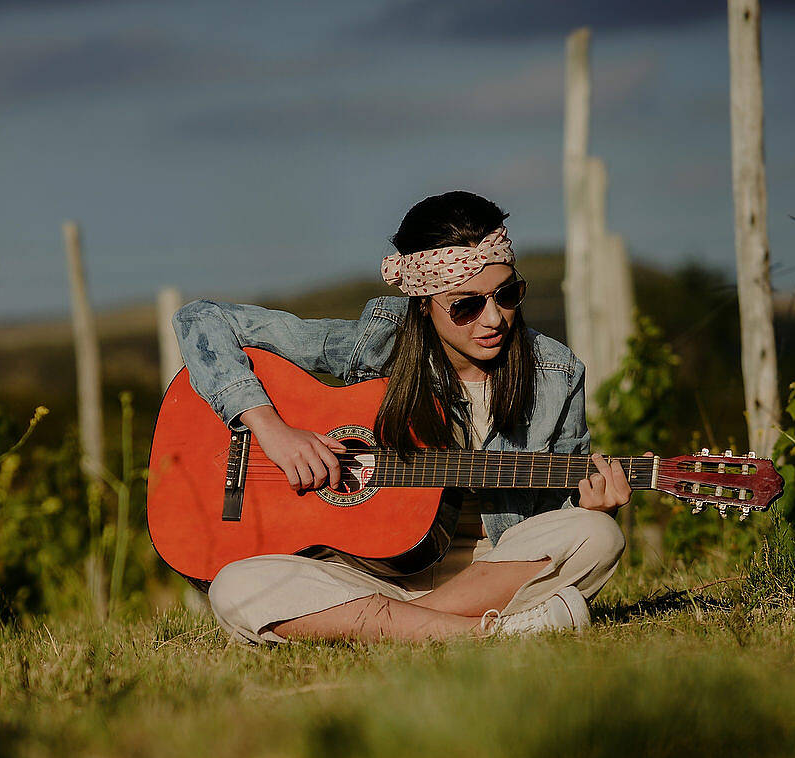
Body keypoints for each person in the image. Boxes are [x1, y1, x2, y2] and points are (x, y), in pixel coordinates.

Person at [172, 191, 630, 644]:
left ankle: (392, 626)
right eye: (466, 305)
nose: (494, 319)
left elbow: (551, 517)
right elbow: (200, 320)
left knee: (596, 534)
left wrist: (591, 506)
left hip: (493, 573)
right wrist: (270, 429)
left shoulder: (555, 372)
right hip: (362, 576)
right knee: (234, 586)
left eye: (508, 295)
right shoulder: (380, 343)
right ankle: (483, 631)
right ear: (423, 303)